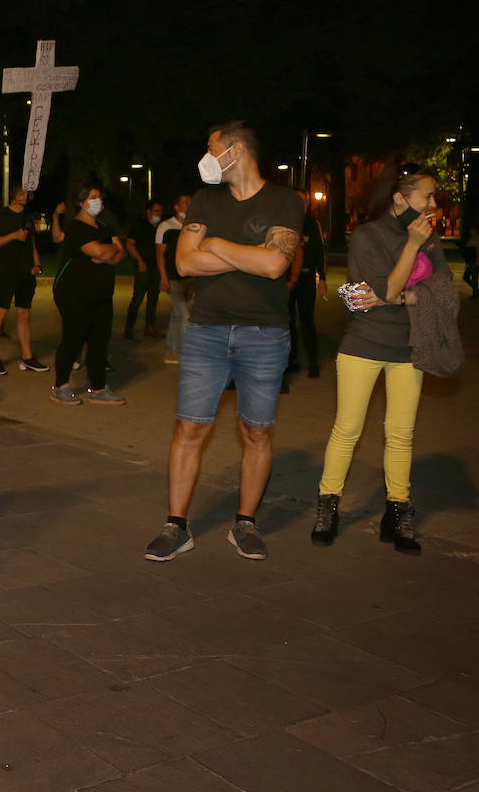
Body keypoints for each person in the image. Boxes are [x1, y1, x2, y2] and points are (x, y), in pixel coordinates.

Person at [144, 122, 303, 563]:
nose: (206, 156)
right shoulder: (205, 199)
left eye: (211, 148)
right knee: (189, 427)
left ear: (236, 151)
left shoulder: (285, 201)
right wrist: (242, 257)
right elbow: (184, 263)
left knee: (256, 431)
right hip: (207, 330)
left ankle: (245, 523)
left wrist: (214, 243)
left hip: (265, 334)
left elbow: (275, 264)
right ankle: (176, 526)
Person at [311, 166, 448, 554]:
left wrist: (398, 297)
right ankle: (328, 506)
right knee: (348, 429)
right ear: (400, 199)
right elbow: (379, 288)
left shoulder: (431, 237)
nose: (434, 206)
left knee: (401, 433)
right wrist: (409, 249)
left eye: (434, 198)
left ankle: (397, 511)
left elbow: (442, 296)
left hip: (409, 348)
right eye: (427, 197)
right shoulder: (369, 236)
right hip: (364, 345)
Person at [49, 182, 124, 404]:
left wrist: (109, 252)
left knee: (100, 341)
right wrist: (108, 251)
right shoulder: (75, 227)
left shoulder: (103, 226)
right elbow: (99, 251)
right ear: (81, 202)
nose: (97, 201)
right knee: (73, 339)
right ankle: (60, 386)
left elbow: (121, 252)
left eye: (99, 196)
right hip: (75, 294)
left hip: (101, 294)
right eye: (92, 197)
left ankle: (99, 389)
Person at [0, 185, 47, 376]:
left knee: (24, 315)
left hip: (26, 273)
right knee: (0, 314)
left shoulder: (28, 215)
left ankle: (27, 358)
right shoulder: (2, 215)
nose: (24, 195)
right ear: (13, 195)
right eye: (20, 192)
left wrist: (37, 263)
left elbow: (31, 242)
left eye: (26, 192)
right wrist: (13, 236)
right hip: (6, 271)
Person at [286, 191, 327, 378]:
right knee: (288, 322)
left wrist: (323, 278)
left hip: (307, 278)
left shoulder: (312, 223)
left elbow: (319, 250)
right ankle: (292, 360)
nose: (302, 204)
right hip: (287, 281)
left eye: (305, 200)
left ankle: (313, 362)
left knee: (307, 321)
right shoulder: (283, 221)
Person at [156, 194, 192, 364]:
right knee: (184, 314)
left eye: (190, 202)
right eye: (184, 202)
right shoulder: (166, 226)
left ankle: (173, 350)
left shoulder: (194, 226)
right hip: (173, 278)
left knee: (177, 315)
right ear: (177, 207)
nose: (188, 205)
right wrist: (163, 277)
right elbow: (160, 254)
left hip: (191, 278)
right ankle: (185, 353)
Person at [123, 200, 164, 340]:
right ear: (148, 211)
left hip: (155, 268)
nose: (159, 214)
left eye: (160, 211)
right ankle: (128, 328)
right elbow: (129, 244)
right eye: (156, 211)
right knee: (138, 298)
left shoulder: (161, 227)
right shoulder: (139, 225)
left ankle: (150, 327)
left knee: (153, 299)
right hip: (143, 267)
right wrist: (139, 260)